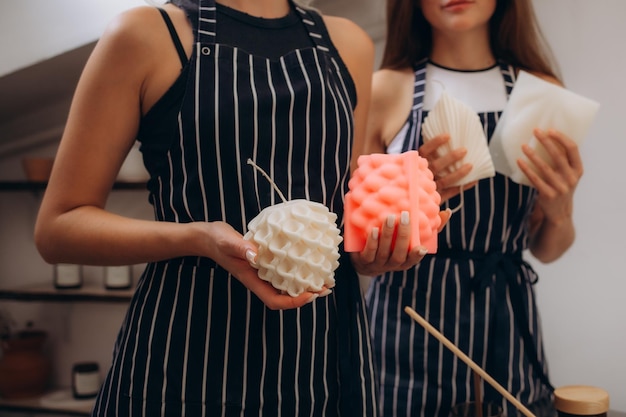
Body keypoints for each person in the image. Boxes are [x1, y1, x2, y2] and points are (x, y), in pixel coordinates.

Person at [31, 0, 420, 415]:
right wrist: (199, 238)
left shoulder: (348, 44)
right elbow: (58, 228)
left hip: (324, 360)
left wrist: (378, 249)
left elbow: (338, 214)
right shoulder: (146, 35)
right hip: (191, 355)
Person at [362, 0, 584, 416]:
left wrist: (560, 208)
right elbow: (361, 251)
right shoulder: (385, 89)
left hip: (506, 326)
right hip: (405, 328)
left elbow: (548, 249)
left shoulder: (538, 88)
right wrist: (414, 198)